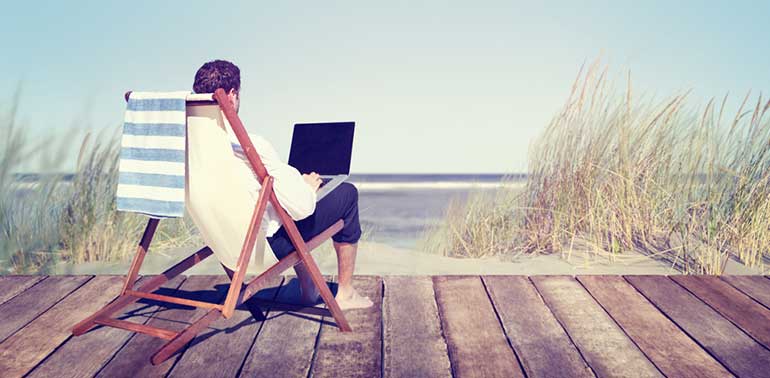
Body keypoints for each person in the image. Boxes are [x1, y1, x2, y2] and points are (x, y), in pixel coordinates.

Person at [192, 59, 373, 310]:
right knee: (346, 194)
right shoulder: (250, 146)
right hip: (266, 250)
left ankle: (309, 288)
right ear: (232, 95)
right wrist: (308, 187)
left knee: (279, 202)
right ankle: (345, 293)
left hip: (224, 244)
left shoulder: (192, 153)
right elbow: (301, 208)